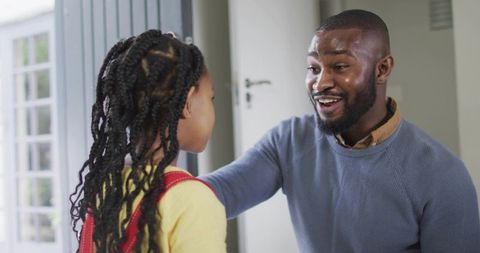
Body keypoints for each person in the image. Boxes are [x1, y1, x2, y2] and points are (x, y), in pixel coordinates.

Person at [203, 9, 480, 253]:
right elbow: (219, 194)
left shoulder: (442, 175)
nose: (319, 83)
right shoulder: (288, 140)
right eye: (313, 68)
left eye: (339, 67)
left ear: (382, 69)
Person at [70, 30, 226, 253]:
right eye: (211, 98)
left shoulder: (106, 189)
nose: (213, 108)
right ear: (188, 103)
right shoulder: (193, 201)